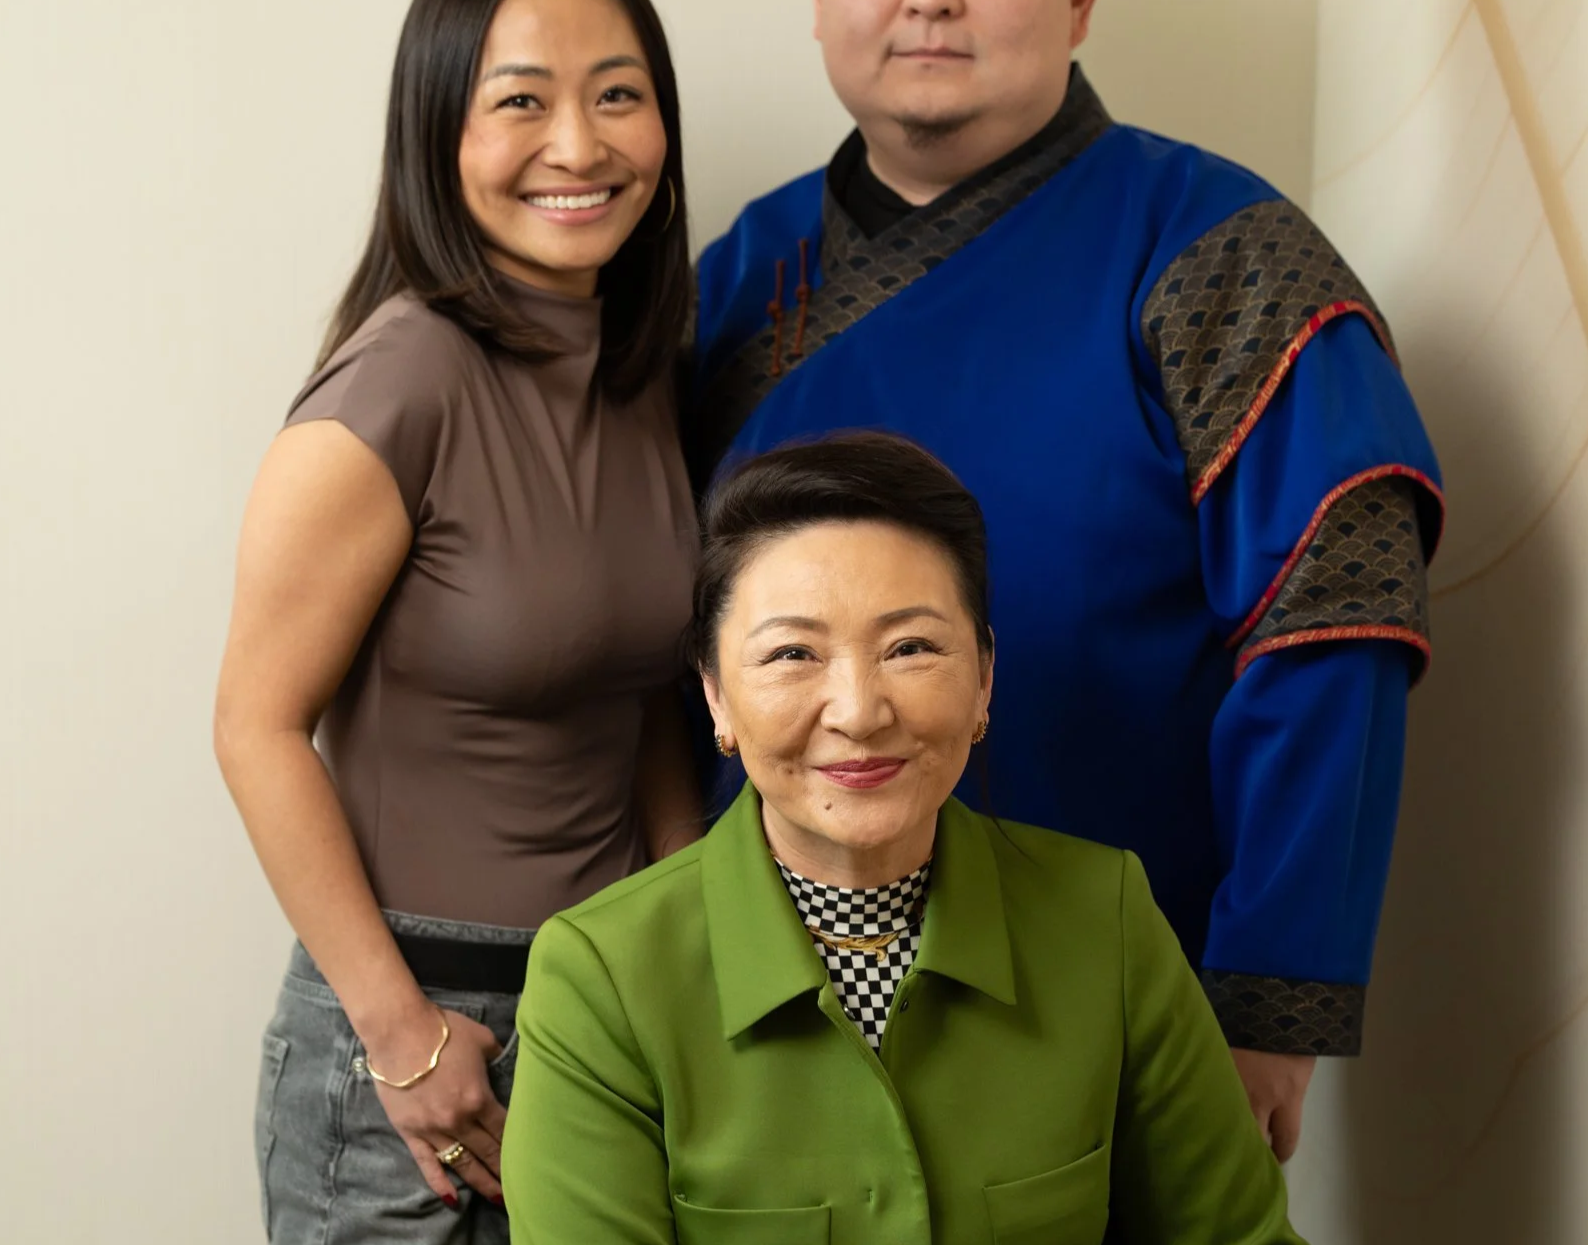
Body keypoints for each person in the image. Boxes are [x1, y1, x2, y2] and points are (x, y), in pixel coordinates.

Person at [689, 0, 1443, 1160]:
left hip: (1119, 1012)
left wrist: (1265, 996)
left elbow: (1330, 628)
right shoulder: (736, 280)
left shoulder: (1218, 253)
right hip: (759, 1013)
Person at [501, 434, 1308, 1244]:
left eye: (909, 647)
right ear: (716, 697)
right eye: (792, 653)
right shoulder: (599, 975)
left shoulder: (1106, 916)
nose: (858, 711)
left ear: (984, 677)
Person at [214, 0, 702, 1243]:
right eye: (520, 102)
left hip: (606, 1016)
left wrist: (697, 959)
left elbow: (647, 699)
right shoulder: (399, 378)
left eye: (618, 93)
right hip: (411, 1038)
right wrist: (407, 1038)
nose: (579, 144)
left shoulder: (646, 369)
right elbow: (255, 727)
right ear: (438, 135)